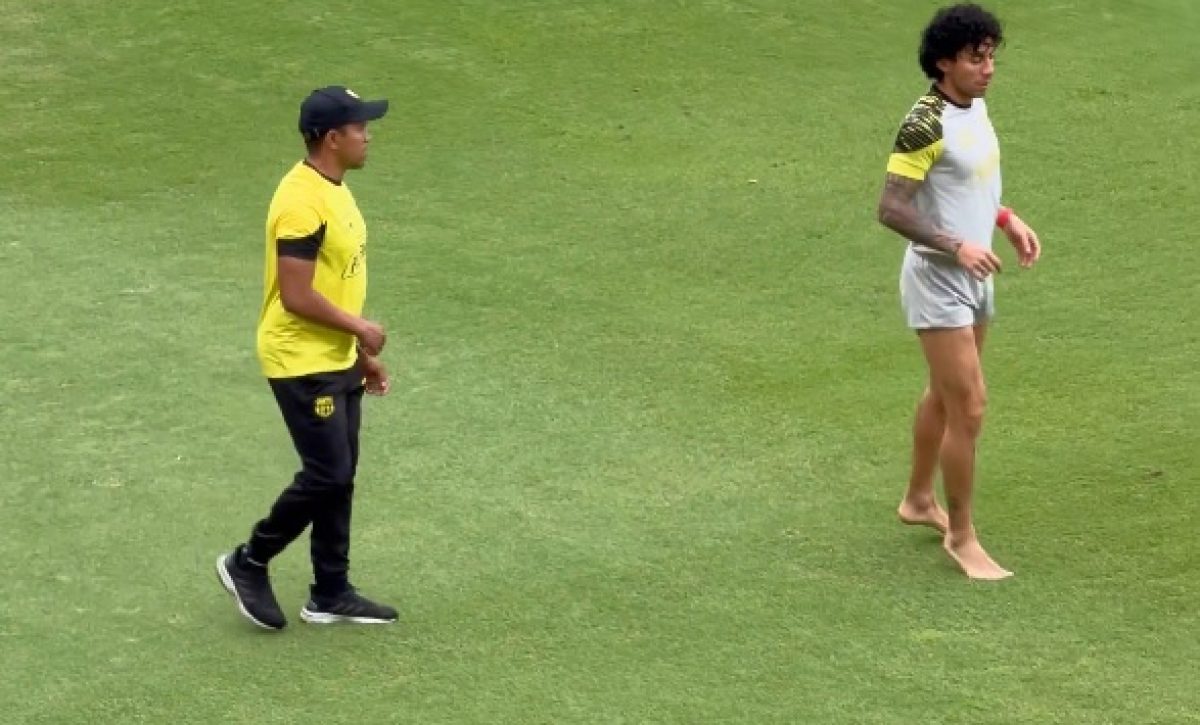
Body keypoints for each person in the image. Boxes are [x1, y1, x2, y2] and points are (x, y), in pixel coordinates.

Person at [216, 85, 399, 628]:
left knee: (341, 474)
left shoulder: (335, 188)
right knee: (327, 473)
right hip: (299, 358)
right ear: (331, 138)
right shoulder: (301, 200)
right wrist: (360, 328)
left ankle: (330, 590)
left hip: (334, 353)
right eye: (360, 127)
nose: (368, 135)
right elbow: (296, 296)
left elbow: (334, 282)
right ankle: (248, 562)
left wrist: (359, 353)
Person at [876, 4, 1042, 580]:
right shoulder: (923, 122)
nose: (988, 67)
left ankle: (919, 501)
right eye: (977, 57)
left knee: (946, 398)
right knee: (969, 406)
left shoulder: (974, 107)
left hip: (974, 270)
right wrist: (956, 246)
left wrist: (1004, 217)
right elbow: (892, 207)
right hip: (939, 276)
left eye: (992, 54)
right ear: (944, 62)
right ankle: (963, 537)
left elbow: (964, 186)